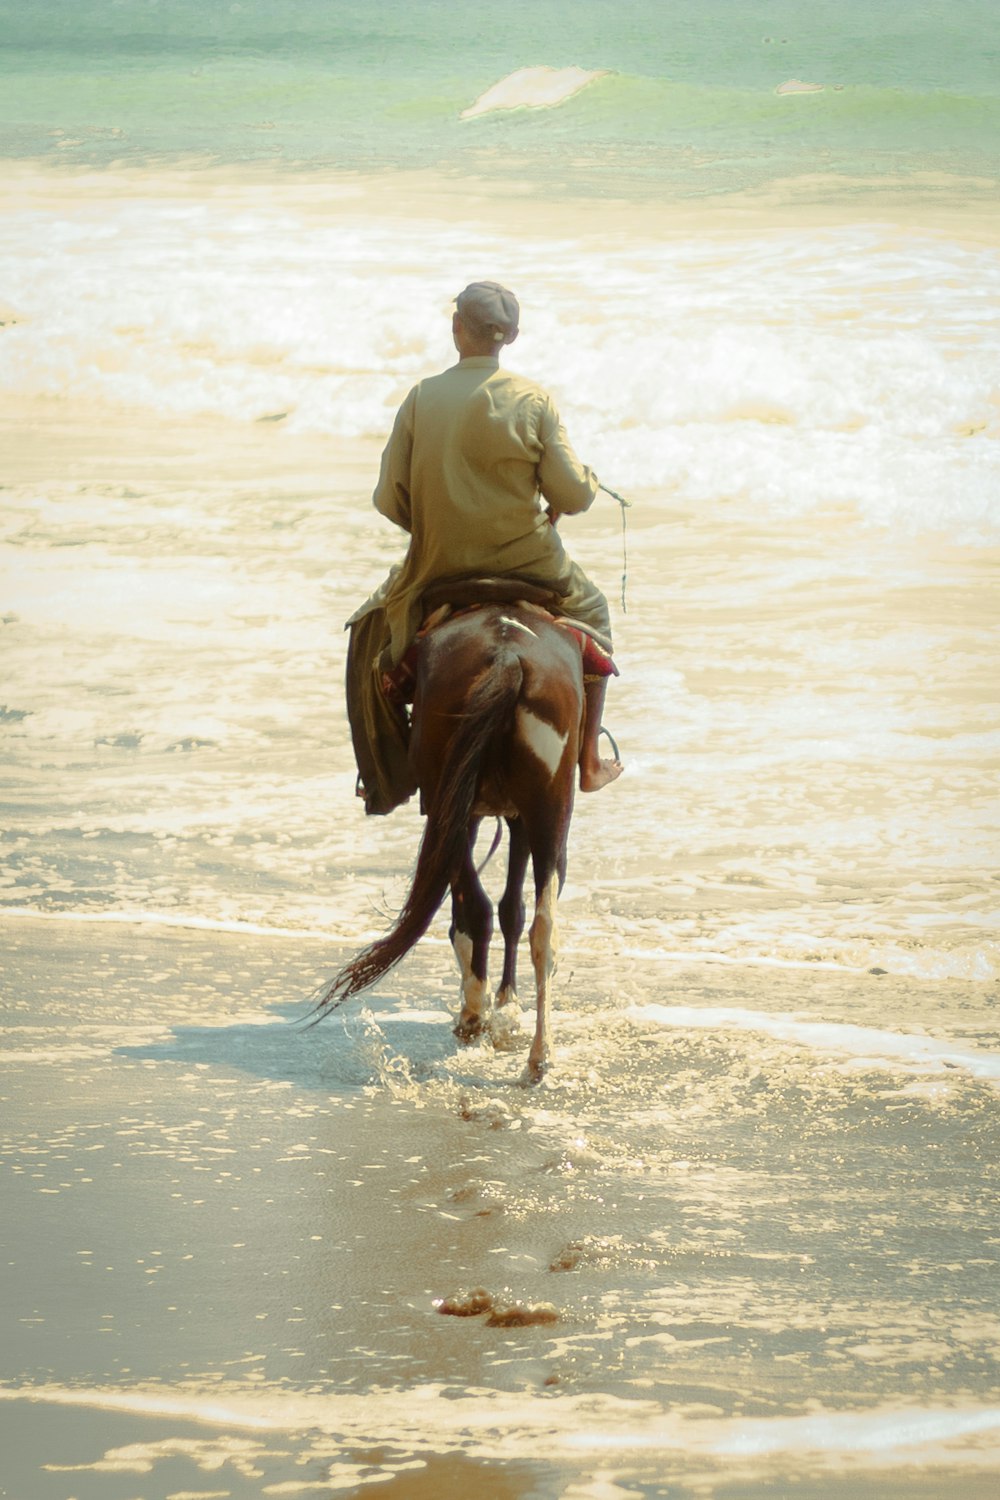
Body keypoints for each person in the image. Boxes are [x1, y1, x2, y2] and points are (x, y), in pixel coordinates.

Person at [346, 280, 623, 815]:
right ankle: (586, 760)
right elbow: (572, 494)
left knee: (369, 631)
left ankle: (385, 773)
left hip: (438, 563)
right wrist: (583, 485)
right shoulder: (533, 399)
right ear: (512, 337)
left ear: (456, 329)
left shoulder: (421, 396)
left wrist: (434, 525)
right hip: (532, 563)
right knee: (595, 611)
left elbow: (387, 497)